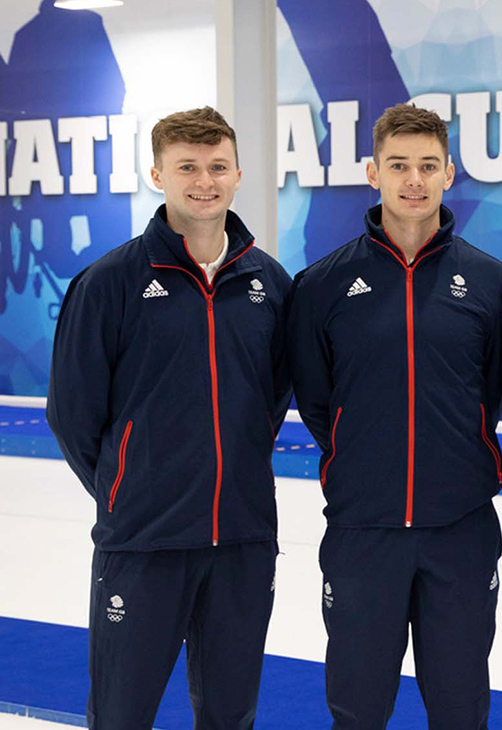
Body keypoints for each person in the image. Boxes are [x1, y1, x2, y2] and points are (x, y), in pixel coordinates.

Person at [46, 107, 291, 729]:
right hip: (144, 543)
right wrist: (128, 490)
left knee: (231, 715)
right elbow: (72, 413)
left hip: (241, 539)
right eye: (187, 167)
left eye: (216, 167)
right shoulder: (109, 283)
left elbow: (276, 395)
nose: (203, 181)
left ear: (238, 174)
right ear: (158, 173)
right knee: (122, 715)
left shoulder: (271, 283)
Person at [285, 103, 502, 728]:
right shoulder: (322, 285)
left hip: (460, 530)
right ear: (373, 172)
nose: (414, 179)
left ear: (449, 174)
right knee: (358, 708)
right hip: (364, 532)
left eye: (427, 166)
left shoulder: (490, 283)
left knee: (461, 706)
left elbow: (492, 390)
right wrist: (364, 462)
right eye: (399, 165)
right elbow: (317, 400)